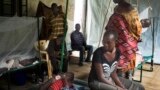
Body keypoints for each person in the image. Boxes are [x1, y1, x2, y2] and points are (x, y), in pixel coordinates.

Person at [106, 0, 145, 77]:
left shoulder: (123, 13)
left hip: (123, 47)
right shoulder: (128, 10)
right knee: (125, 70)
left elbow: (109, 30)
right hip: (126, 46)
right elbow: (137, 29)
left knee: (121, 71)